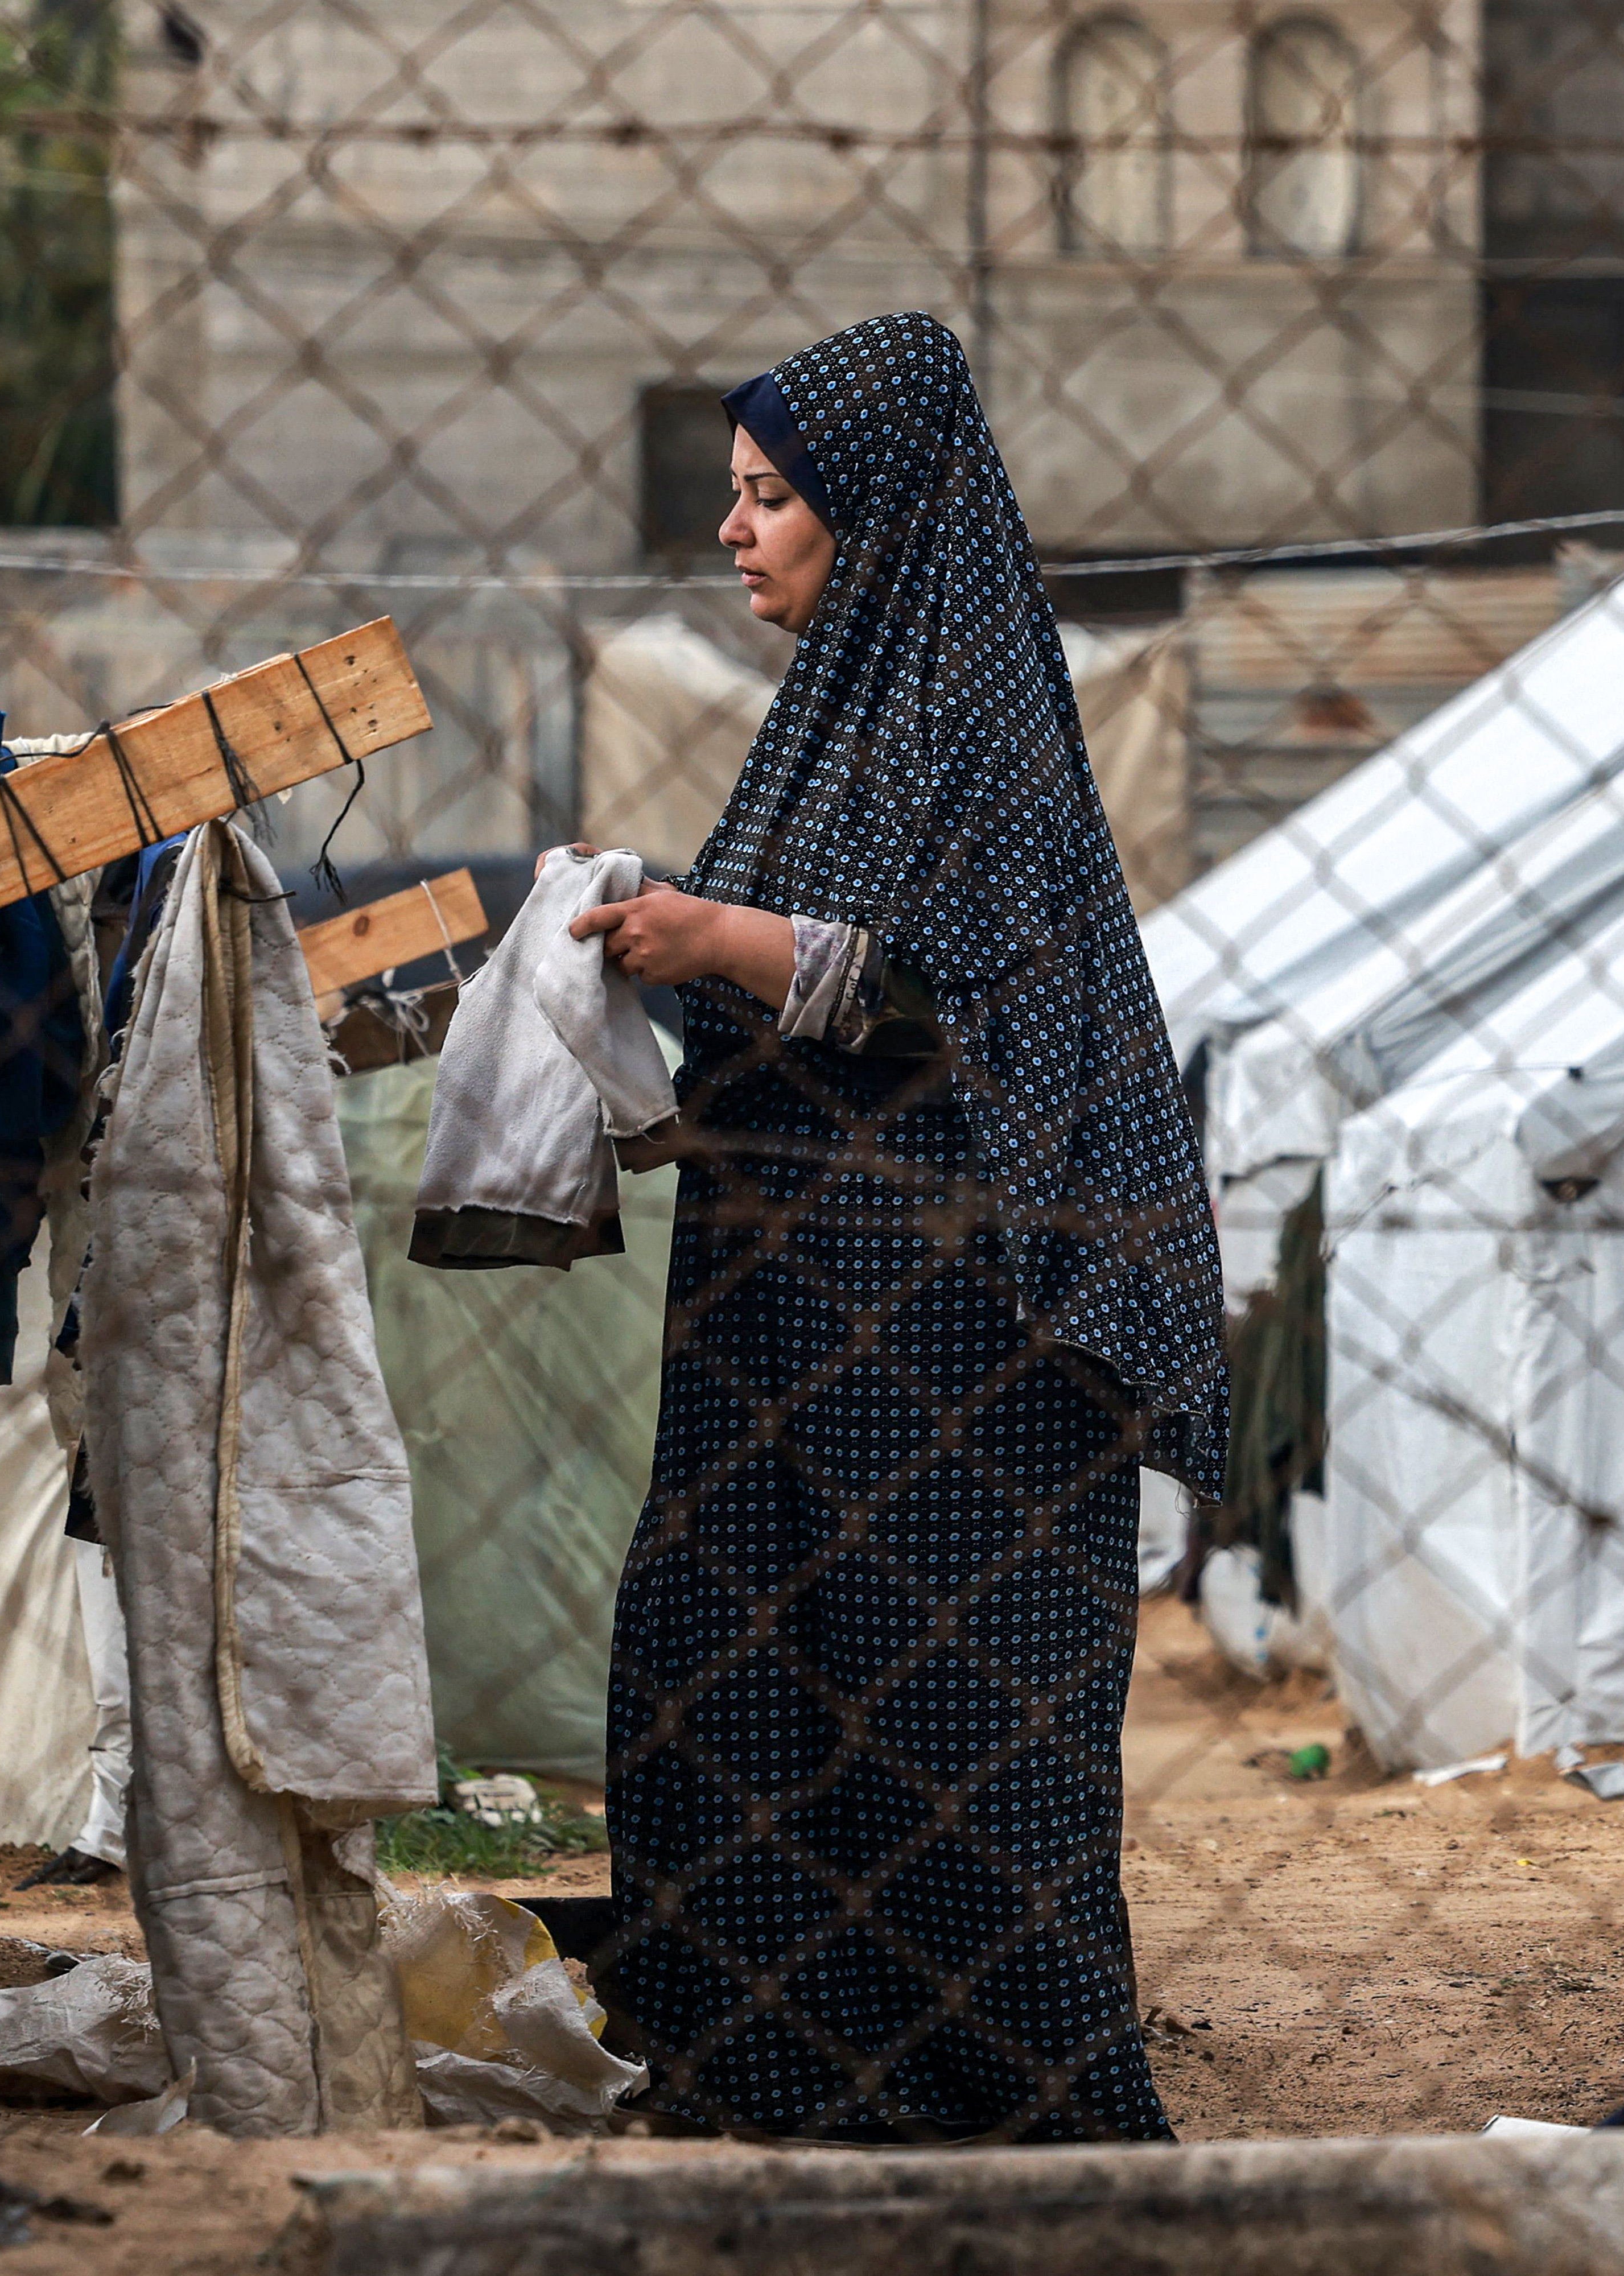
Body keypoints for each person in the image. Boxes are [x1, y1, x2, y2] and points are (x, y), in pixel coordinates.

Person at [568, 312, 1229, 2143]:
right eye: (737, 498)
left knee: (947, 1729)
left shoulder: (969, 710)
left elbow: (959, 986)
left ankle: (1012, 2116)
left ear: (878, 514)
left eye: (773, 499)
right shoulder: (830, 716)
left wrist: (713, 943)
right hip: (799, 1319)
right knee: (746, 1673)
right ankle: (787, 2077)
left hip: (956, 1342)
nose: (737, 533)